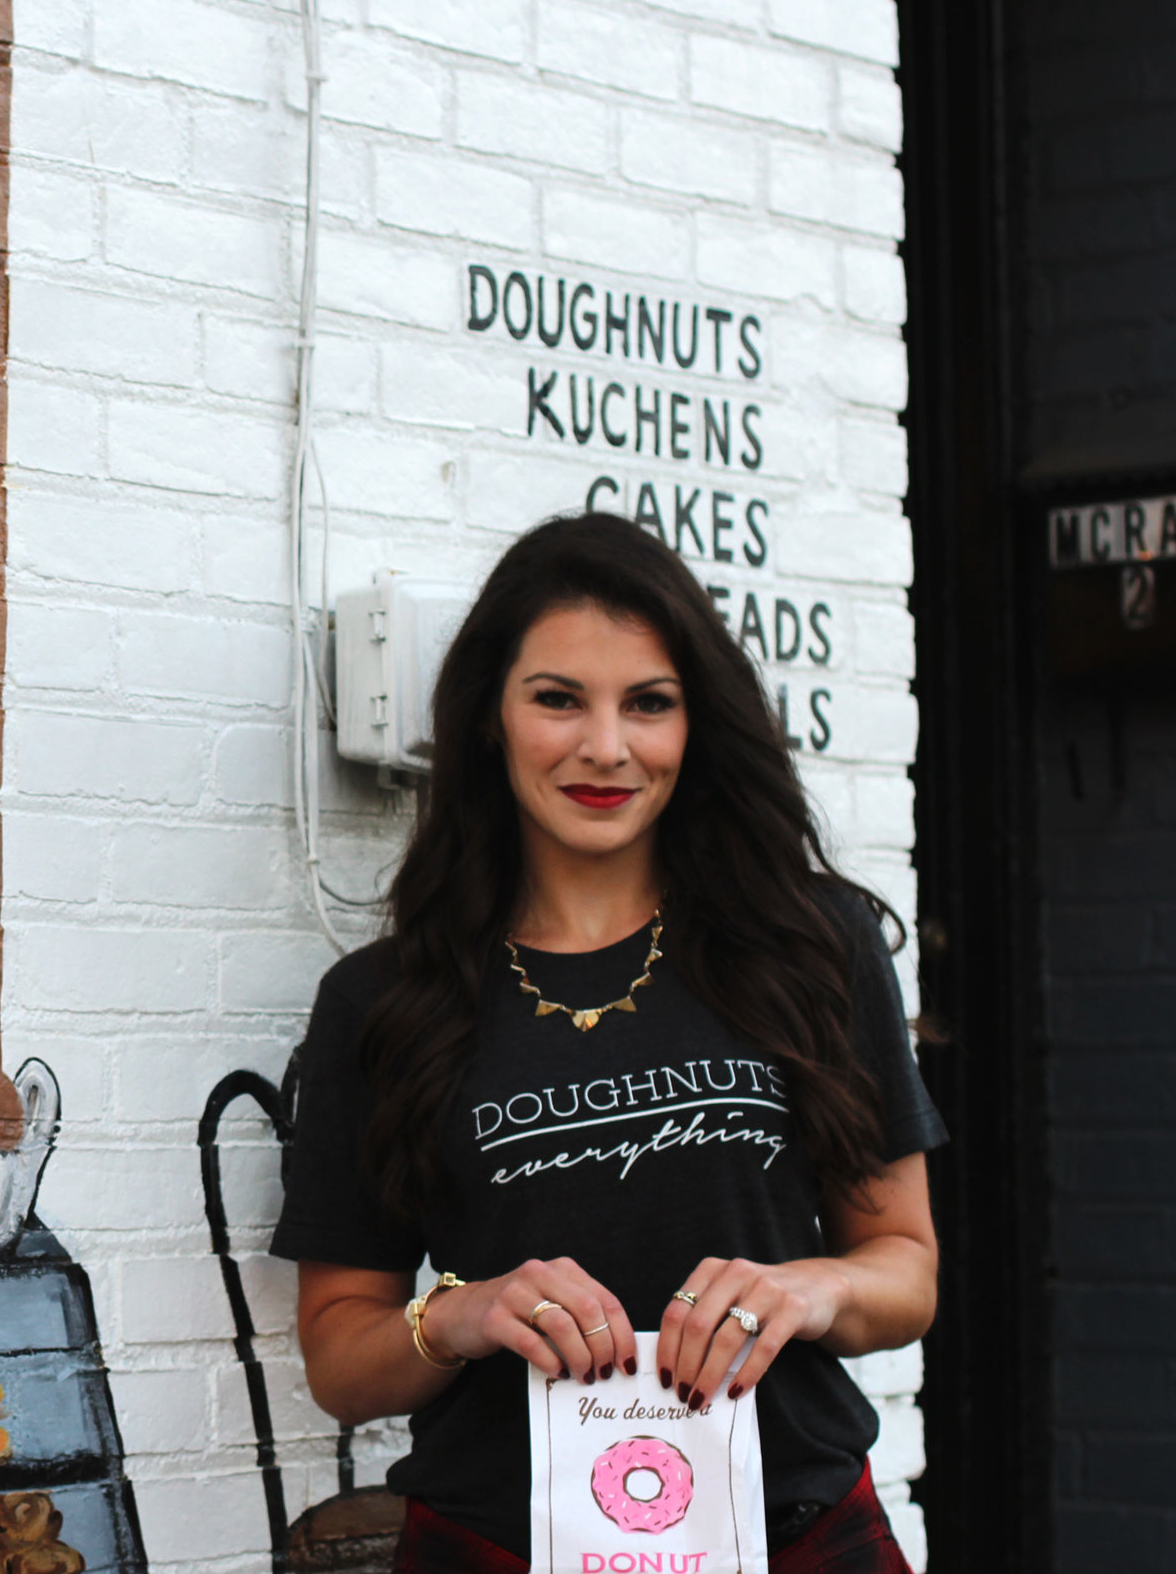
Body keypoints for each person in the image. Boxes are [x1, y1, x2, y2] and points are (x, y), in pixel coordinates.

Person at [274, 513, 943, 1573]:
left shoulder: (809, 943)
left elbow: (904, 1268)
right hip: (498, 1543)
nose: (605, 746)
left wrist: (811, 1287)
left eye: (648, 703)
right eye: (557, 699)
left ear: (695, 723)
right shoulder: (383, 1001)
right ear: (491, 717)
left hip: (801, 1531)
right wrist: (464, 1311)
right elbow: (340, 1359)